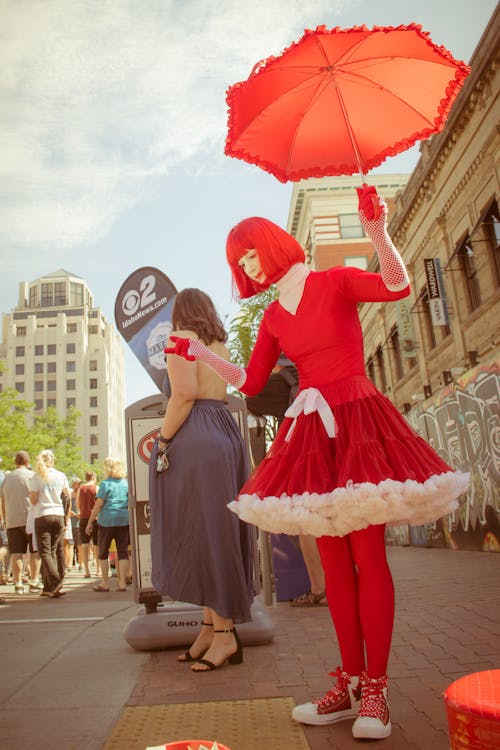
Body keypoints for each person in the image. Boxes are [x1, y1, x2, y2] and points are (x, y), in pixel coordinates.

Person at [165, 186, 470, 739]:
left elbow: (399, 286)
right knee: (332, 564)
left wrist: (377, 228)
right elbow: (253, 383)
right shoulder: (273, 317)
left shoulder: (335, 281)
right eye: (240, 261)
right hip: (312, 430)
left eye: (252, 251)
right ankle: (351, 685)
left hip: (357, 421)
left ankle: (376, 690)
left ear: (274, 244)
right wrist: (202, 354)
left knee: (367, 556)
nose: (249, 265)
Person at [150, 288, 254, 672]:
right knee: (218, 528)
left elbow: (184, 395)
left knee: (207, 532)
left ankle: (225, 635)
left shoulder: (181, 340)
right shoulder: (219, 346)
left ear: (180, 315)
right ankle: (211, 628)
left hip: (195, 435)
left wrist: (162, 439)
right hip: (224, 432)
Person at [246, 357, 326, 606]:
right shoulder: (319, 373)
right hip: (333, 451)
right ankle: (343, 580)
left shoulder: (280, 382)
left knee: (305, 523)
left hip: (303, 458)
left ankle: (319, 587)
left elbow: (249, 399)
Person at [30, 450, 70, 598]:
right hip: (58, 514)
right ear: (53, 460)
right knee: (52, 551)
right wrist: (65, 516)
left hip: (43, 514)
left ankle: (55, 581)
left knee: (45, 552)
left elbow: (33, 499)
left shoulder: (37, 476)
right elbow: (67, 495)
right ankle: (48, 587)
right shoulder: (61, 475)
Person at [85, 458, 129, 592]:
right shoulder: (126, 483)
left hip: (107, 521)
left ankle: (104, 583)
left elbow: (98, 504)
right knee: (123, 552)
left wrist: (90, 522)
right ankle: (122, 583)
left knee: (103, 552)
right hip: (124, 520)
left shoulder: (105, 484)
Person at [1, 451, 41, 594]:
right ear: (28, 462)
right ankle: (34, 581)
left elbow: (3, 501)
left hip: (12, 520)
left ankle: (18, 583)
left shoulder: (7, 478)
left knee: (16, 553)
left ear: (15, 462)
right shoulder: (32, 477)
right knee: (35, 552)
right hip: (30, 520)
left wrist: (6, 519)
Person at [77, 471, 99, 578]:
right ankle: (98, 569)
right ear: (94, 477)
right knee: (97, 544)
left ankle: (86, 570)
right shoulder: (96, 488)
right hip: (95, 518)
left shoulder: (80, 489)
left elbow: (78, 504)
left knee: (84, 545)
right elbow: (99, 504)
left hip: (83, 518)